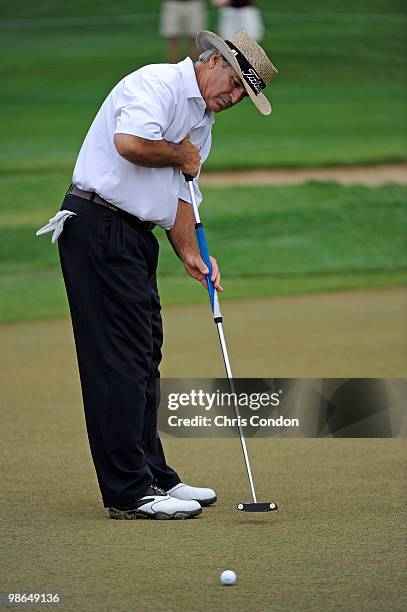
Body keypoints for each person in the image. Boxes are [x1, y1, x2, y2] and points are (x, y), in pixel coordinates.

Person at [36, 30, 278, 520]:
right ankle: (128, 492)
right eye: (232, 85)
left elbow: (183, 193)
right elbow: (131, 144)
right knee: (119, 362)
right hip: (97, 223)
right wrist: (181, 154)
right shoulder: (158, 84)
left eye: (241, 95)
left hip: (132, 235)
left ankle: (153, 475)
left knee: (145, 354)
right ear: (211, 61)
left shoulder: (202, 119)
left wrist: (191, 253)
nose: (231, 99)